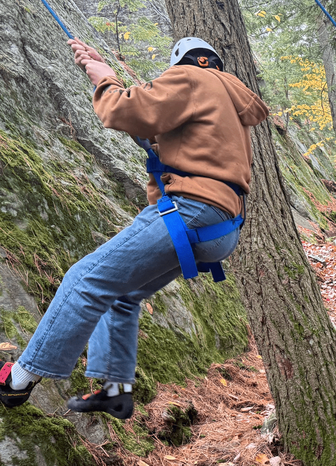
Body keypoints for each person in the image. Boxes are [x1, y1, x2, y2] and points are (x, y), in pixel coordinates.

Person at [0, 37, 269, 419]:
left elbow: (124, 112)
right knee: (122, 295)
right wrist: (99, 72)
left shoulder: (191, 78)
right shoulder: (229, 104)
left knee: (84, 280)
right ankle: (115, 390)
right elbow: (153, 130)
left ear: (182, 64)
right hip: (220, 229)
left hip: (189, 211)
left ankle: (18, 380)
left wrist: (107, 80)